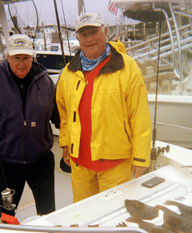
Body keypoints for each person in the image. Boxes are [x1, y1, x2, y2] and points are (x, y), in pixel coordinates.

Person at [56, 13, 152, 203]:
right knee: (84, 217)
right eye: (84, 34)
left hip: (114, 165)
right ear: (77, 38)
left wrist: (141, 158)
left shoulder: (127, 66)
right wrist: (66, 143)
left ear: (105, 32)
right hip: (80, 165)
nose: (90, 38)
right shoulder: (69, 72)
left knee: (112, 218)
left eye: (94, 32)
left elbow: (139, 115)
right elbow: (65, 113)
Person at [0, 34, 60, 215]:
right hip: (7, 162)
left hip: (41, 160)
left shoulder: (46, 82)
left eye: (26, 58)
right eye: (16, 58)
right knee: (5, 214)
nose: (22, 63)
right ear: (8, 57)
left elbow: (59, 117)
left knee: (48, 212)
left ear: (32, 57)